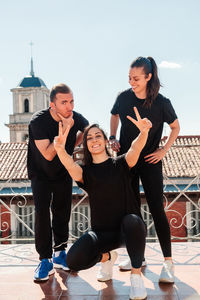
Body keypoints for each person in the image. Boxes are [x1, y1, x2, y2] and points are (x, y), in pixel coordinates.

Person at [54, 108, 152, 300]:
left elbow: (135, 148)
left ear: (106, 140)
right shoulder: (86, 173)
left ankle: (136, 277)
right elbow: (69, 165)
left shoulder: (122, 164)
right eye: (89, 138)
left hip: (128, 230)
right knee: (73, 260)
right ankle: (108, 257)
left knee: (133, 221)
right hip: (101, 233)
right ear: (86, 145)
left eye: (98, 136)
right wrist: (59, 149)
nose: (94, 140)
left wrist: (144, 133)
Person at [110, 56, 180, 283]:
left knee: (157, 211)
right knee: (132, 212)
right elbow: (114, 114)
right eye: (129, 78)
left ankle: (168, 263)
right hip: (127, 161)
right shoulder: (123, 98)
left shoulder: (162, 102)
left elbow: (176, 127)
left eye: (136, 78)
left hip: (150, 161)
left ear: (149, 77)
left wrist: (164, 150)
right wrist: (112, 137)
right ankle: (137, 257)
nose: (132, 82)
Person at [27, 83, 89, 281]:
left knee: (62, 209)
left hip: (63, 172)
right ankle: (44, 260)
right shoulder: (38, 122)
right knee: (42, 213)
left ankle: (60, 252)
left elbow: (88, 130)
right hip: (40, 173)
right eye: (64, 102)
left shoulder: (75, 117)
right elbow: (47, 154)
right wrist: (64, 134)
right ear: (52, 105)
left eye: (71, 101)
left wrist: (75, 142)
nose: (69, 106)